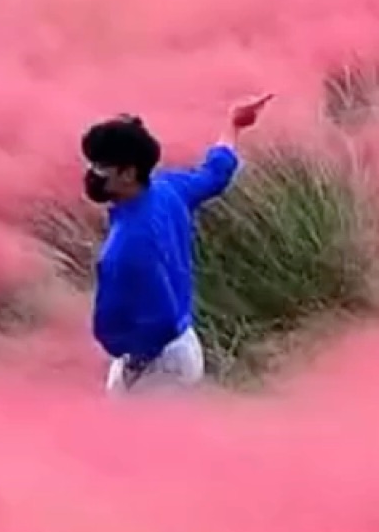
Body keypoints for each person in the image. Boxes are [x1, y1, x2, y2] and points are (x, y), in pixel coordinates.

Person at [82, 96, 271, 395]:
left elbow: (145, 322)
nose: (91, 174)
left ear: (129, 173)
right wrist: (233, 125)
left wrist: (132, 363)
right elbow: (214, 174)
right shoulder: (167, 189)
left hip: (157, 368)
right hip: (184, 348)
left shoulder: (124, 249)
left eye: (102, 168)